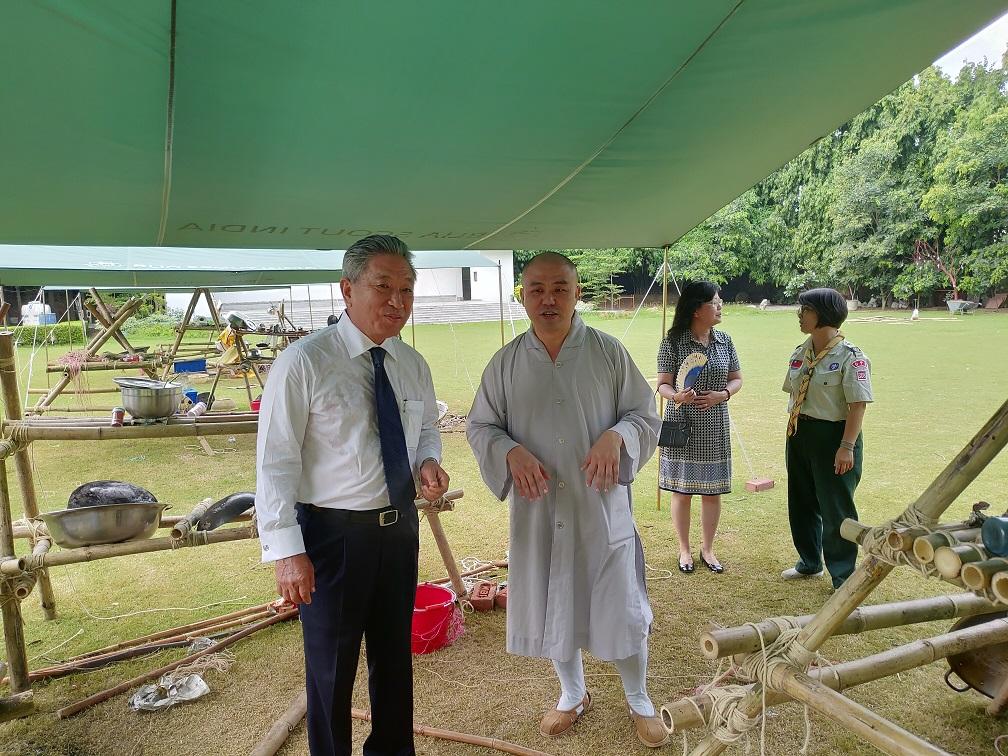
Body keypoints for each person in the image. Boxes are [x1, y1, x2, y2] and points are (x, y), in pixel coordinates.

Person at [256, 235, 450, 756]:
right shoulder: (303, 362)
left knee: (394, 659)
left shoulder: (412, 363)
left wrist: (427, 460)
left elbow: (425, 429)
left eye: (406, 289)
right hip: (330, 538)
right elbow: (275, 461)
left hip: (398, 531)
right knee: (331, 669)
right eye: (382, 286)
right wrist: (287, 551)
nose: (397, 301)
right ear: (347, 289)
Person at [466, 252, 668, 748]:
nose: (548, 298)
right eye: (536, 288)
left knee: (619, 601)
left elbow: (645, 415)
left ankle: (638, 697)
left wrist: (617, 435)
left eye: (560, 287)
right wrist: (508, 450)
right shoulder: (506, 362)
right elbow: (480, 426)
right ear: (523, 295)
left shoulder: (607, 352)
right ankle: (572, 693)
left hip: (599, 506)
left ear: (578, 293)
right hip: (539, 508)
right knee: (555, 596)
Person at [781, 288, 872, 590]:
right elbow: (794, 394)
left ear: (823, 314)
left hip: (834, 437)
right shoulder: (800, 352)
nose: (800, 315)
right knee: (801, 501)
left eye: (805, 309)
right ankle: (809, 563)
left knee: (836, 508)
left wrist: (846, 447)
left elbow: (857, 405)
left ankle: (843, 576)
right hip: (800, 434)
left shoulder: (851, 357)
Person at [656, 282, 742, 574]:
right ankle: (684, 549)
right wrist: (677, 396)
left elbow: (737, 379)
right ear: (696, 309)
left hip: (714, 424)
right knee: (681, 491)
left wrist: (723, 395)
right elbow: (664, 384)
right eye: (714, 302)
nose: (720, 307)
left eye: (720, 301)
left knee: (711, 492)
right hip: (682, 421)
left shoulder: (725, 341)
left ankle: (707, 548)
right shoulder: (673, 342)